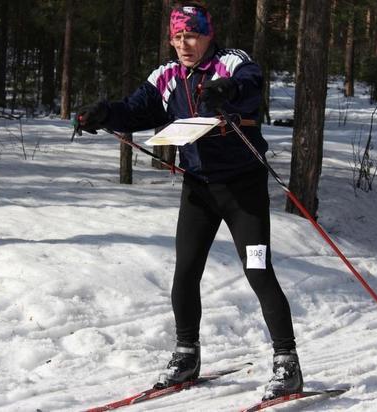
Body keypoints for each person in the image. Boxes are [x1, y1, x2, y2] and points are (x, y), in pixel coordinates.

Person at [74, 1, 303, 401]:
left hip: (242, 191)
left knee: (258, 270)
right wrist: (102, 114)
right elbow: (134, 109)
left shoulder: (231, 63)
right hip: (199, 189)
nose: (184, 44)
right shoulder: (167, 76)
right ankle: (186, 354)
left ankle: (287, 363)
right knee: (186, 270)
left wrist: (228, 90)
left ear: (208, 35)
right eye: (178, 37)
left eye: (192, 35)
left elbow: (251, 85)